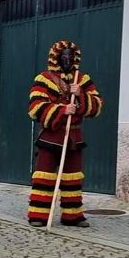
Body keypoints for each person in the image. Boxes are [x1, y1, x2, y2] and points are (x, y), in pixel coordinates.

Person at [26, 41, 103, 227]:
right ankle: (38, 214)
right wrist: (62, 110)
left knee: (73, 178)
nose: (67, 60)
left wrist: (82, 94)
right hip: (50, 136)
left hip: (74, 137)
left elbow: (97, 106)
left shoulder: (82, 79)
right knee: (44, 176)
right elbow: (35, 108)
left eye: (70, 57)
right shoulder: (44, 79)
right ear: (56, 58)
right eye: (63, 57)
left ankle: (73, 215)